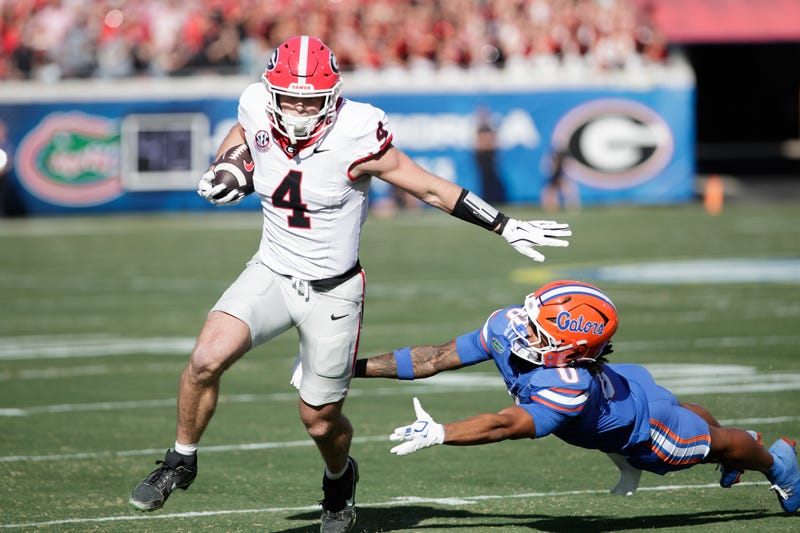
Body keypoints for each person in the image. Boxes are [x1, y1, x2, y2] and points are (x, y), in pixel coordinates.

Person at [127, 35, 573, 533]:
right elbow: (241, 132)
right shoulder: (256, 104)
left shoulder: (357, 131)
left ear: (332, 97)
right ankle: (180, 460)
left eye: (310, 100)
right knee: (205, 359)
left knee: (318, 420)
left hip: (334, 290)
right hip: (271, 270)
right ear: (271, 91)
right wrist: (230, 164)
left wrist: (503, 225)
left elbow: (426, 185)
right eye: (289, 97)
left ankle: (339, 477)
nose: (297, 108)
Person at [353, 279, 800, 514]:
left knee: (713, 444)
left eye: (538, 330)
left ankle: (776, 460)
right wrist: (350, 368)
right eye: (530, 319)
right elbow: (436, 356)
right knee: (687, 413)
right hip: (625, 384)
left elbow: (507, 424)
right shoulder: (509, 326)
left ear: (574, 347)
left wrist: (441, 432)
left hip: (642, 430)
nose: (523, 330)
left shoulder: (568, 385)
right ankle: (735, 446)